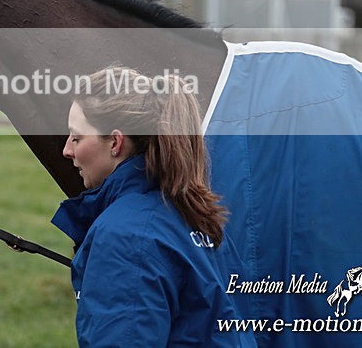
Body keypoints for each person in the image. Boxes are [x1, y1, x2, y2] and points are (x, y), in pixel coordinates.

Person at [52, 67, 255, 347]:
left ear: (115, 142)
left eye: (76, 137)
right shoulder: (196, 217)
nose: (67, 150)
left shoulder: (125, 237)